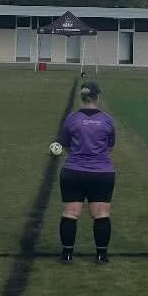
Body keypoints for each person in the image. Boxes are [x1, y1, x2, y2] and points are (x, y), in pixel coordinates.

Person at [56, 80, 116, 264]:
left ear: (82, 97)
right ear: (98, 97)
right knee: (101, 214)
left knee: (70, 213)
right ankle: (101, 255)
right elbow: (110, 145)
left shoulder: (72, 119)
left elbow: (64, 143)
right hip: (102, 173)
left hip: (73, 171)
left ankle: (67, 254)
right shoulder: (107, 120)